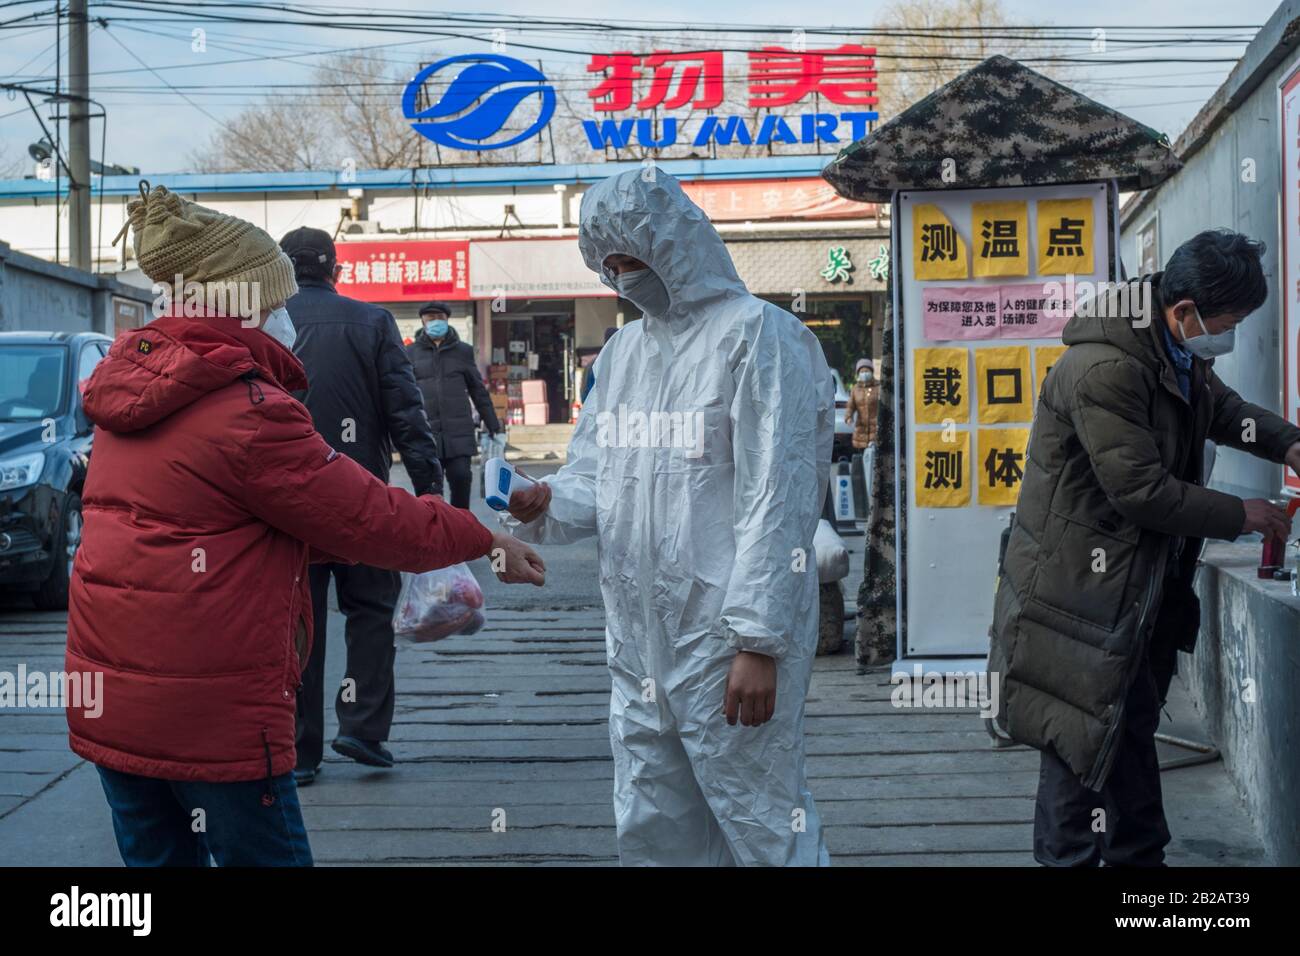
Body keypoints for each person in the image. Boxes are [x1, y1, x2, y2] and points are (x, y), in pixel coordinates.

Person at [67, 185, 544, 867]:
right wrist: (481, 538)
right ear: (245, 302)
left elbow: (236, 517)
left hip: (115, 699)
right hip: (210, 714)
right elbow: (362, 515)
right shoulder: (247, 409)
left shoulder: (128, 386)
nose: (283, 314)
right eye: (273, 299)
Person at [507, 170, 833, 866]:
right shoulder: (624, 355)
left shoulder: (758, 338)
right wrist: (548, 502)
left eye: (635, 260)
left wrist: (760, 640)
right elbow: (597, 478)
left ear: (679, 247)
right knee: (653, 820)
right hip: (637, 645)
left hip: (723, 637)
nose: (625, 278)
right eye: (612, 265)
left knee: (764, 819)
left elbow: (780, 497)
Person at [989, 229, 1300, 867]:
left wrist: (1287, 443)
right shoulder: (1106, 368)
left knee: (1126, 744)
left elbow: (1225, 412)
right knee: (1079, 752)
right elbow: (1140, 491)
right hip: (1080, 598)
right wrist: (1243, 513)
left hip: (1132, 593)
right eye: (1230, 321)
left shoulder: (1172, 355)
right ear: (1183, 311)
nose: (1232, 335)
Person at [278, 226, 446, 784]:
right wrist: (429, 492)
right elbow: (406, 412)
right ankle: (363, 728)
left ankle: (299, 753)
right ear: (335, 271)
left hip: (286, 505)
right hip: (360, 497)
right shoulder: (373, 322)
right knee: (372, 609)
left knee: (297, 621)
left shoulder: (264, 323)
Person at [406, 302, 502, 509]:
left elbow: (478, 390)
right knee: (430, 494)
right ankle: (434, 537)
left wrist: (493, 423)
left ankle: (462, 534)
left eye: (439, 317)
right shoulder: (410, 353)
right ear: (422, 321)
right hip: (426, 434)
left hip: (459, 433)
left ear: (447, 319)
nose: (435, 322)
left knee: (461, 480)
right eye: (430, 318)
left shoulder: (463, 351)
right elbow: (402, 394)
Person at [845, 357, 879, 450]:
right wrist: (848, 417)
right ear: (858, 374)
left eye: (866, 371)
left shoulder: (878, 387)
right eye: (862, 371)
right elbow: (850, 406)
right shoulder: (855, 389)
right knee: (863, 458)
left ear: (871, 372)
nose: (864, 373)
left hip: (876, 428)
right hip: (861, 430)